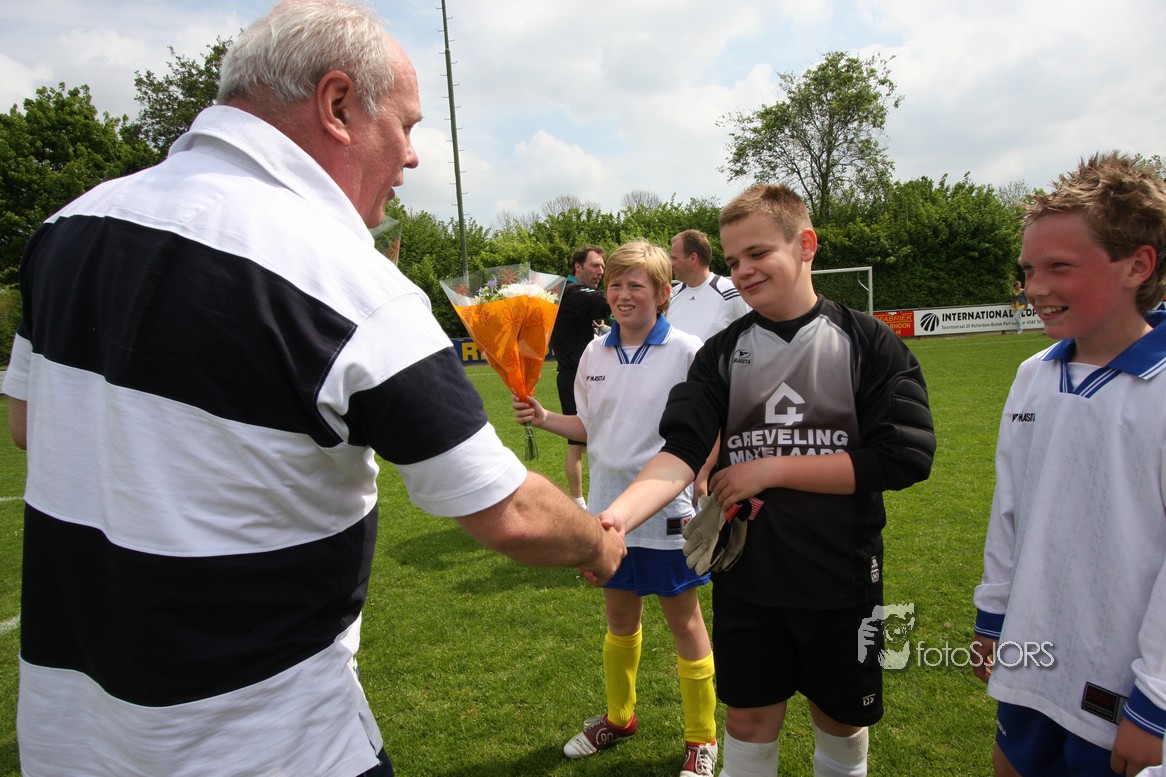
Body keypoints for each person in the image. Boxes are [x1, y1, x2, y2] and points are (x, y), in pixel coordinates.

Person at [3, 3, 624, 775]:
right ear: (337, 105)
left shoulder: (68, 227)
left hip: (67, 739)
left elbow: (27, 423)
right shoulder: (348, 281)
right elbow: (513, 514)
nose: (412, 156)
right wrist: (599, 541)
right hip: (268, 743)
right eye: (406, 125)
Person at [595, 184, 936, 777]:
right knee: (749, 724)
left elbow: (905, 456)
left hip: (841, 578)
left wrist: (771, 469)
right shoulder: (721, 353)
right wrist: (614, 520)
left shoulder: (868, 341)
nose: (744, 271)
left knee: (840, 723)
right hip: (747, 579)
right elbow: (680, 454)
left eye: (758, 253)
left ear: (806, 245)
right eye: (733, 261)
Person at [971, 152, 1166, 777]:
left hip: (1125, 684)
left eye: (1060, 267)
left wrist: (1156, 701)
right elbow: (1011, 507)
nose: (1035, 288)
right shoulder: (1034, 374)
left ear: (1138, 264)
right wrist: (994, 616)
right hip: (1034, 656)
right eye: (1029, 269)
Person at [514, 241, 717, 777]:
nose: (623, 294)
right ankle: (619, 718)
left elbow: (712, 425)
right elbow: (590, 426)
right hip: (606, 515)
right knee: (620, 620)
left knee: (684, 622)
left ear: (663, 293)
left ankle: (702, 737)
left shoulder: (688, 350)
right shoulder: (593, 353)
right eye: (615, 285)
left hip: (669, 510)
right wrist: (543, 418)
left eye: (636, 285)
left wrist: (702, 475)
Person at [548, 245, 610, 509]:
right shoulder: (571, 291)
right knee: (578, 443)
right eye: (595, 265)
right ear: (578, 266)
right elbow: (602, 302)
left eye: (603, 266)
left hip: (588, 374)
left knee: (593, 439)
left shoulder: (570, 292)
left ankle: (591, 498)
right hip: (575, 376)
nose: (601, 271)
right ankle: (578, 503)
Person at [668, 228, 751, 341]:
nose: (671, 264)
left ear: (693, 258)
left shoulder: (731, 293)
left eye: (674, 258)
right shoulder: (672, 295)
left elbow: (753, 334)